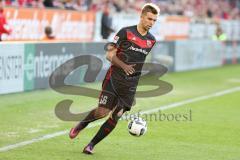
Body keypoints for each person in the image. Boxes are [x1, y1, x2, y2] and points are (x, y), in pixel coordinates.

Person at [69, 3, 159, 154]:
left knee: (116, 115)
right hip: (114, 78)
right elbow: (109, 55)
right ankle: (80, 125)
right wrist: (124, 66)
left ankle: (91, 145)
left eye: (154, 20)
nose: (151, 23)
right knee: (102, 112)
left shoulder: (152, 40)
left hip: (130, 85)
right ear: (142, 16)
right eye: (149, 19)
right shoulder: (125, 32)